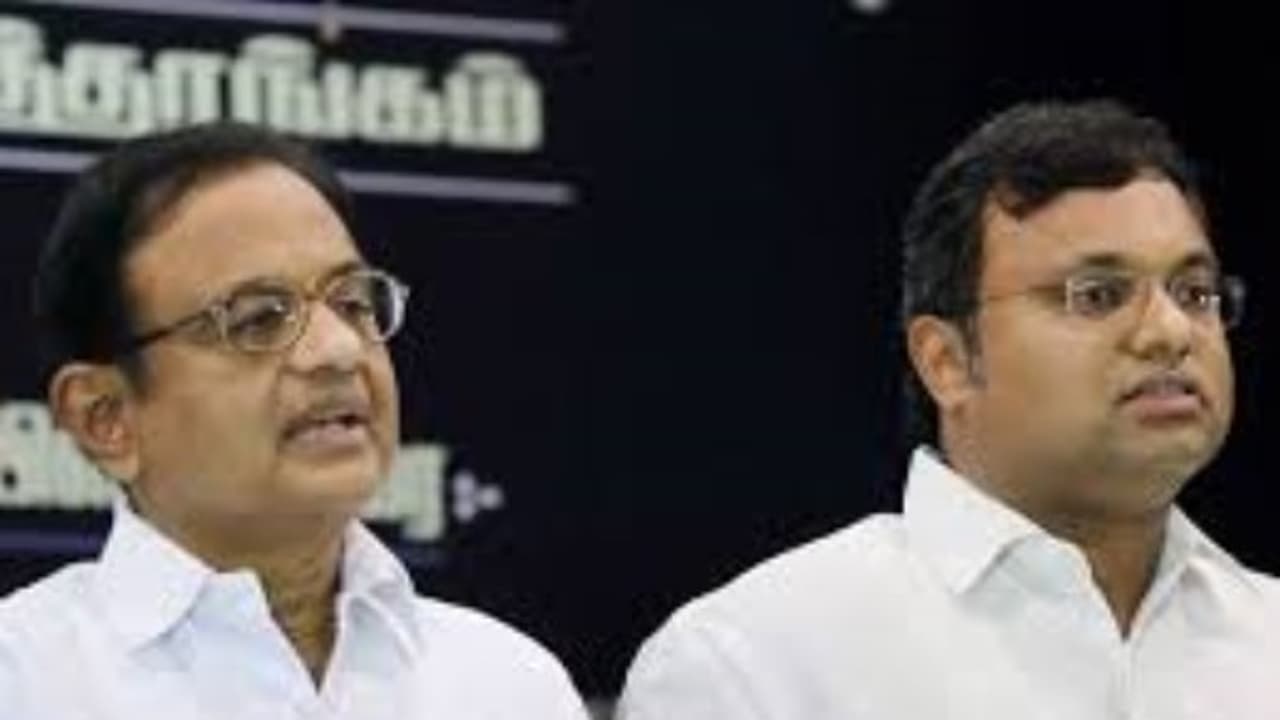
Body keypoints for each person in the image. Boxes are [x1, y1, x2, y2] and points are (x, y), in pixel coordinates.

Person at [617, 99, 1280, 719]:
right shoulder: (755, 664)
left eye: (1194, 292)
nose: (1170, 331)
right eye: (1098, 295)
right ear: (947, 362)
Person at [0, 122, 590, 719]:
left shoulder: (505, 685)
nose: (340, 349)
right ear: (105, 418)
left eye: (352, 302)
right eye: (258, 319)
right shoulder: (26, 681)